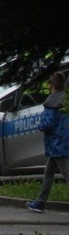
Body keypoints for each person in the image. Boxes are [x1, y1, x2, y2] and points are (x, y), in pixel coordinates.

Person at [27, 71, 69, 213]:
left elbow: (48, 124)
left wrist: (39, 124)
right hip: (63, 141)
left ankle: (40, 202)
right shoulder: (65, 99)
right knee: (49, 171)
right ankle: (40, 202)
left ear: (52, 85)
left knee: (66, 173)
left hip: (57, 143)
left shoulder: (51, 102)